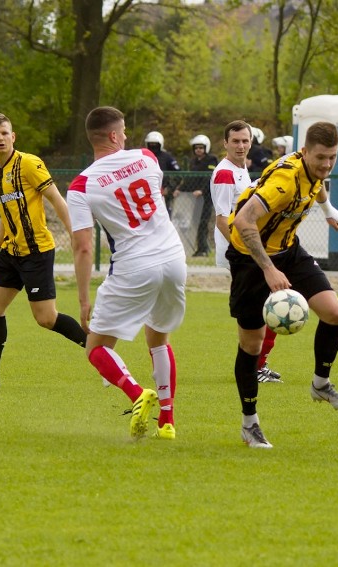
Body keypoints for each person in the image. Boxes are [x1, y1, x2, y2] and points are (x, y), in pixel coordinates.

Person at [227, 120, 338, 448]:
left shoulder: (313, 170)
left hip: (289, 250)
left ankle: (321, 384)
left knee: (334, 312)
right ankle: (249, 424)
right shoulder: (283, 181)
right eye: (321, 157)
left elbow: (317, 183)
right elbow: (243, 220)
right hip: (250, 259)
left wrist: (328, 208)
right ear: (305, 151)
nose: (326, 164)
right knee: (252, 345)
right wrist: (267, 270)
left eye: (333, 158)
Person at [68, 106, 186, 440]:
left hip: (135, 265)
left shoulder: (81, 185)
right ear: (115, 135)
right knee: (158, 337)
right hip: (174, 259)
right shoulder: (148, 158)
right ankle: (166, 422)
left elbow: (83, 248)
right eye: (123, 133)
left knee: (96, 346)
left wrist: (83, 301)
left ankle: (137, 395)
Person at [0, 113, 87, 388]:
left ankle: (100, 352)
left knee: (46, 319)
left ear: (13, 136)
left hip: (36, 251)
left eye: (5, 133)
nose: (1, 138)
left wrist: (75, 234)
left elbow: (56, 199)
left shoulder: (28, 164)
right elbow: (6, 215)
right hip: (11, 252)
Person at [211, 120, 283, 384]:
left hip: (249, 250)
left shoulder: (242, 170)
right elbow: (221, 219)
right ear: (225, 143)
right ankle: (256, 366)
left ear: (251, 142)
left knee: (266, 304)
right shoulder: (224, 173)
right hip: (240, 252)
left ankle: (258, 364)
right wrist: (246, 252)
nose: (241, 146)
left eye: (245, 141)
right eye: (235, 141)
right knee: (265, 306)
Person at [177, 134, 218, 257]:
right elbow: (190, 179)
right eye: (196, 148)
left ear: (206, 148)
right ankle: (202, 248)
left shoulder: (212, 159)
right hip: (195, 197)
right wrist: (180, 189)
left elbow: (210, 177)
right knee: (196, 222)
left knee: (203, 222)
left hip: (206, 196)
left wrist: (202, 190)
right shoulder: (193, 161)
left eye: (201, 147)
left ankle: (204, 250)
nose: (198, 150)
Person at [144, 130, 181, 215]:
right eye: (151, 144)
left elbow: (179, 173)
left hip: (163, 191)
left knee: (165, 213)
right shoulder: (143, 156)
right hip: (146, 191)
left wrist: (169, 188)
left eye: (155, 144)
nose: (153, 146)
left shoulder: (167, 157)